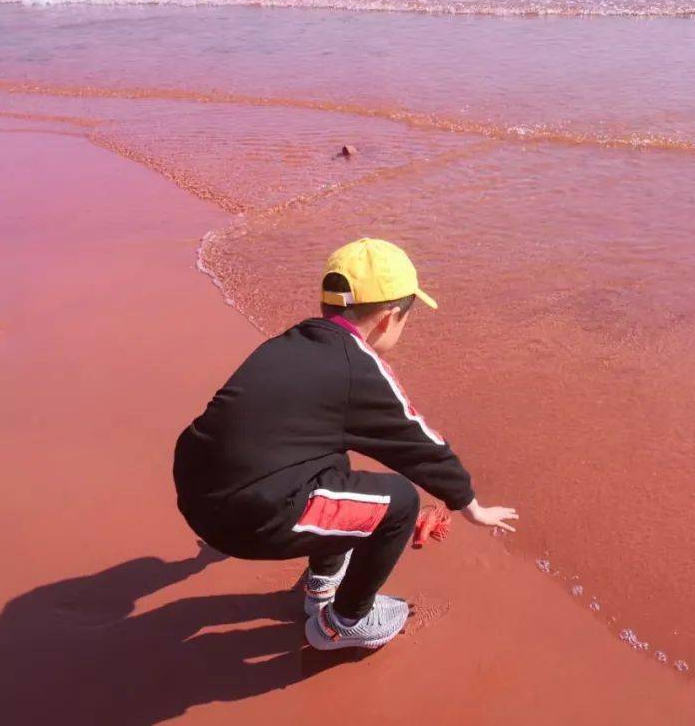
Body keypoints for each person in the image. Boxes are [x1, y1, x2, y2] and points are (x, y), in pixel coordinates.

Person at [173, 238, 518, 650]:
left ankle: (322, 584)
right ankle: (343, 623)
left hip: (196, 488)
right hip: (248, 519)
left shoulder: (292, 342)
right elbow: (420, 445)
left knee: (332, 460)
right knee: (401, 503)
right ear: (390, 318)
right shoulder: (358, 367)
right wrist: (472, 507)